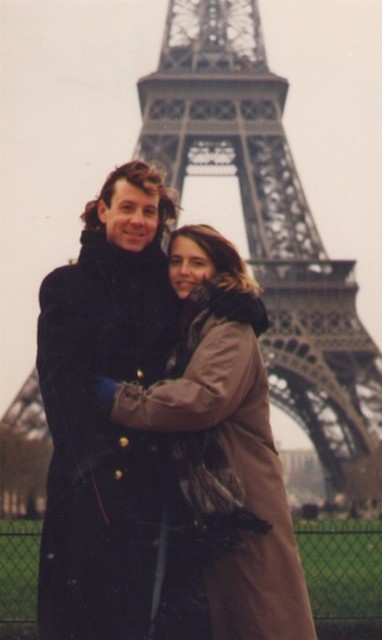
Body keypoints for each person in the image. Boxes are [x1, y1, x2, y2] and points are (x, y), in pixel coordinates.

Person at [36, 162, 268, 640]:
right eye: (127, 208)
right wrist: (97, 489)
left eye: (149, 211)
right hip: (97, 493)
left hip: (158, 494)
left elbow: (206, 314)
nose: (139, 220)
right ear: (102, 211)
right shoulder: (67, 287)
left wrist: (240, 300)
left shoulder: (168, 291)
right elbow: (63, 399)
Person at [93, 224, 319, 640]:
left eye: (197, 262)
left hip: (238, 499)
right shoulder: (195, 326)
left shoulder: (229, 327)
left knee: (254, 615)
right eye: (175, 261)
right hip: (215, 501)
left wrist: (118, 400)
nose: (183, 271)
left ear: (219, 271)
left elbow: (201, 399)